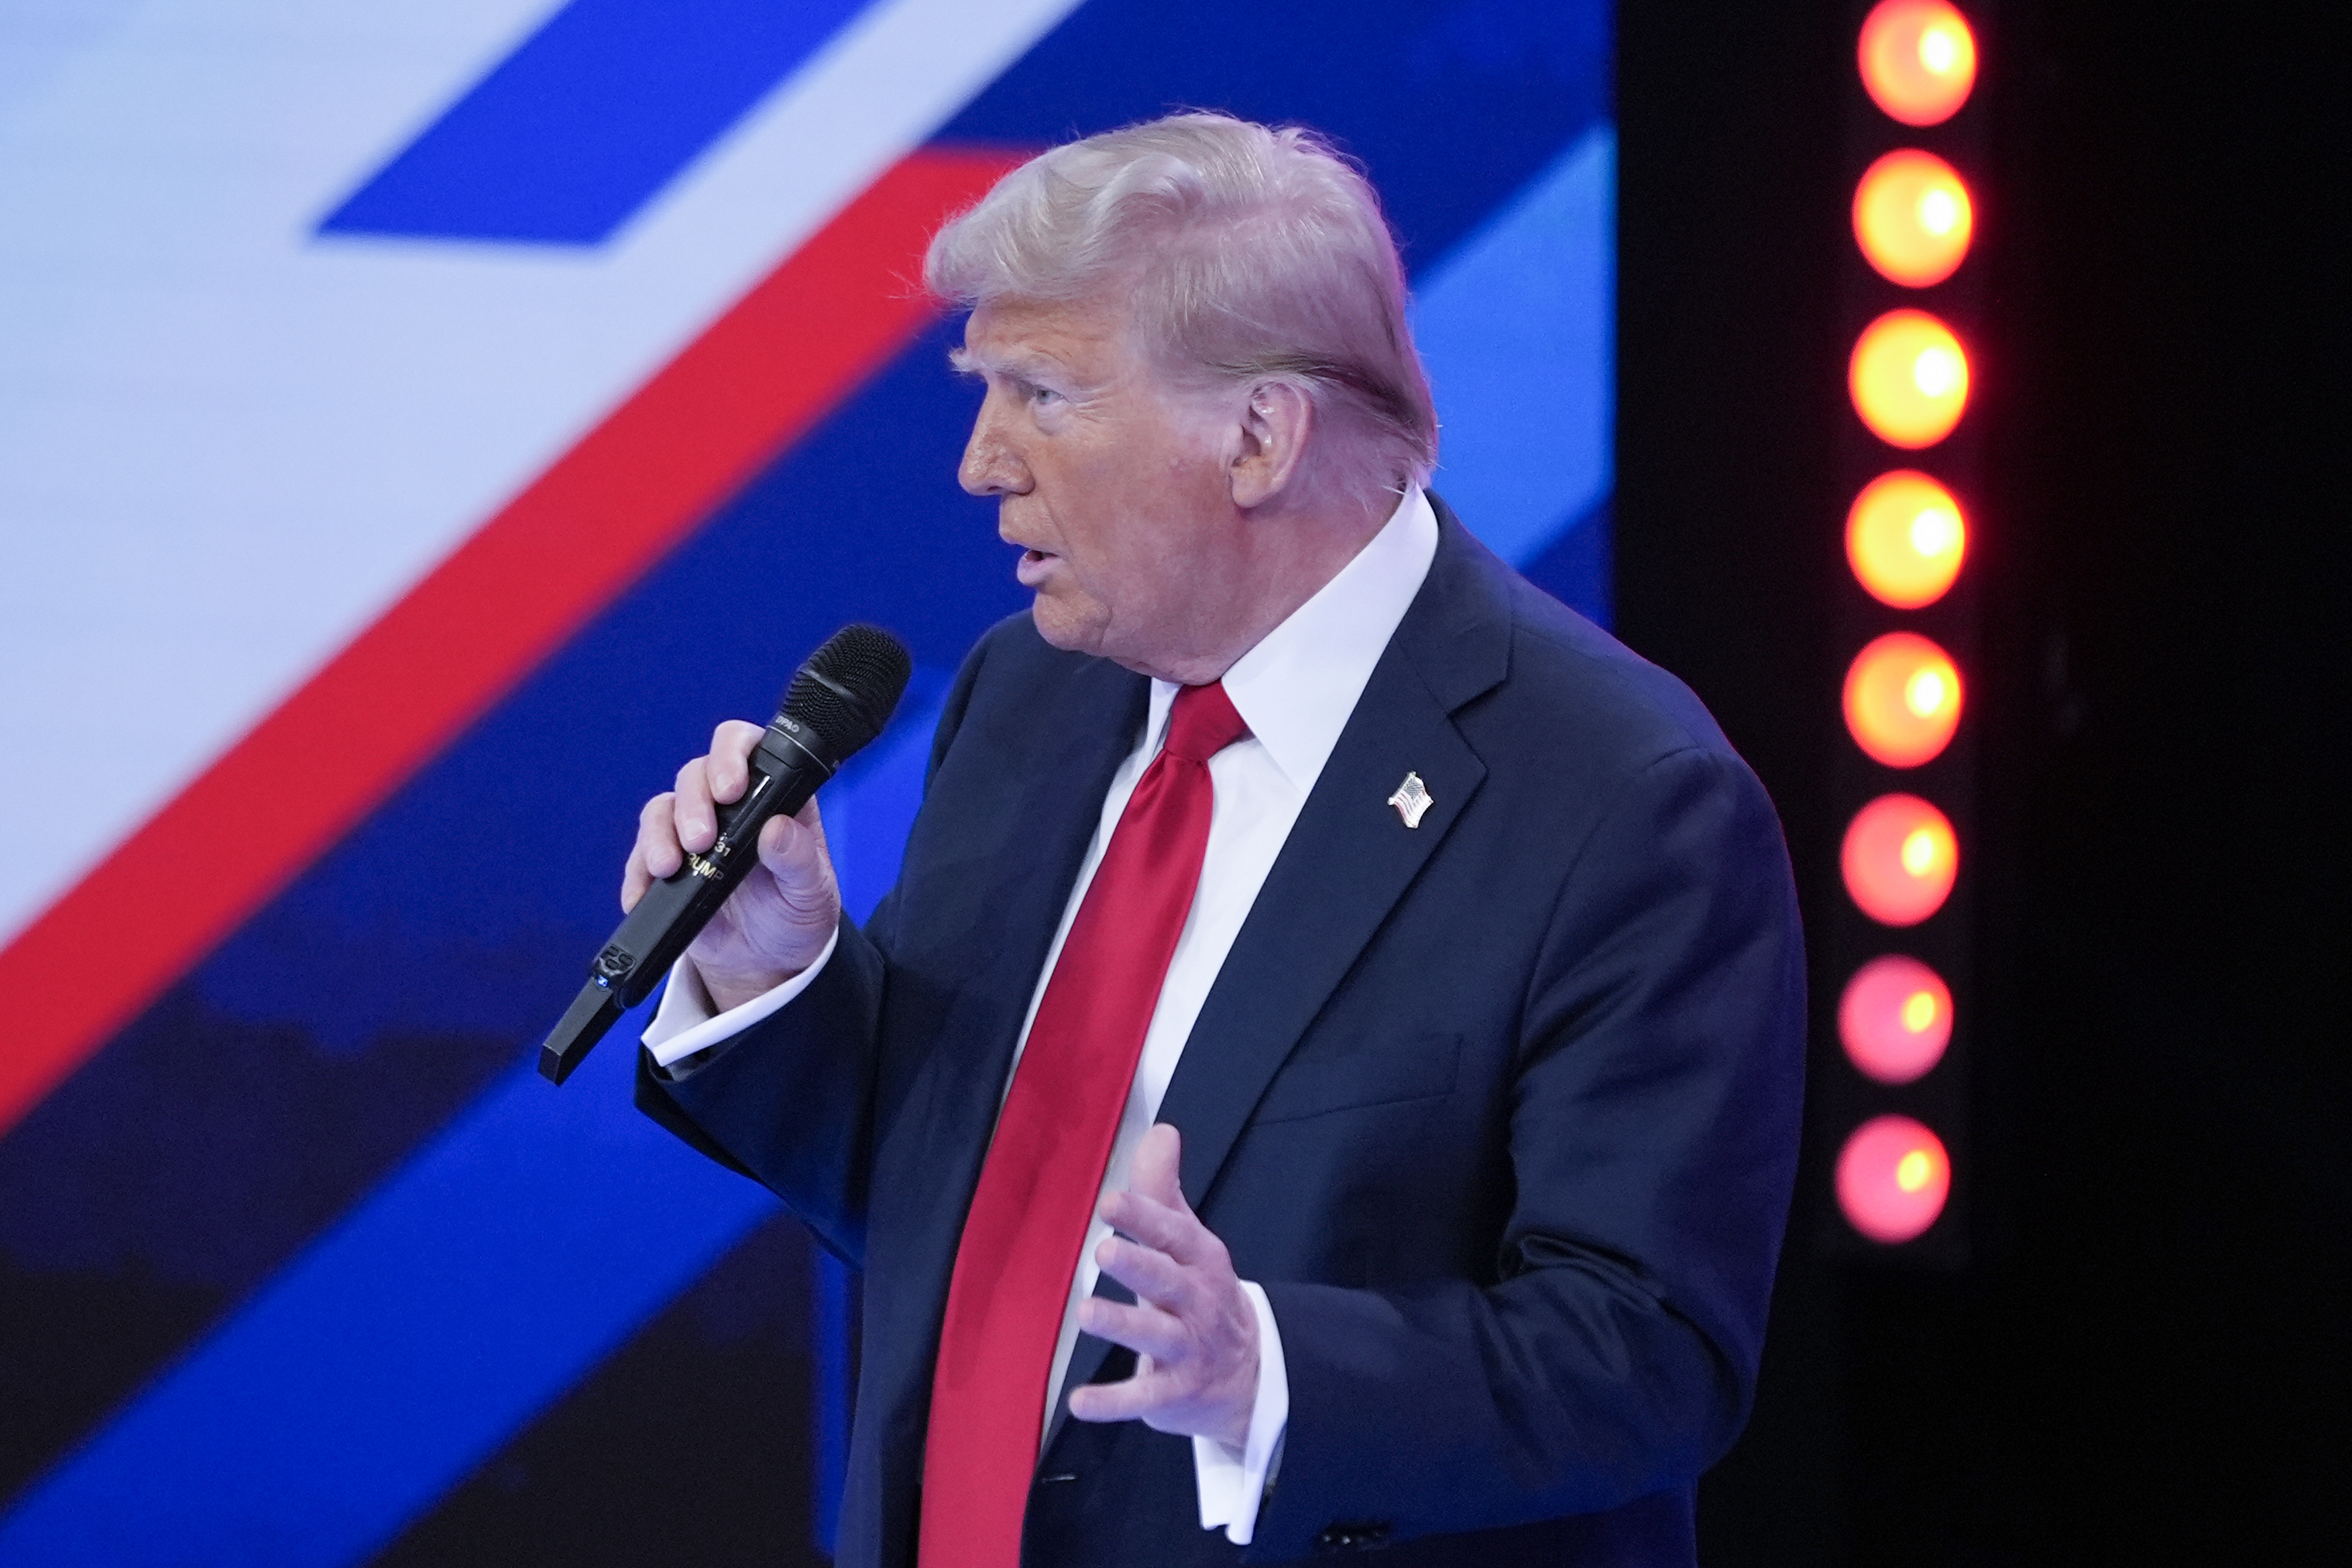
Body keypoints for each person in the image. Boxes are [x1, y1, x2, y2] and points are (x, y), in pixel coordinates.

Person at [626, 113, 1803, 1567]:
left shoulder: (1622, 797)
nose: (981, 464)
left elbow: (1648, 1352)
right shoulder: (1028, 693)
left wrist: (1271, 1370)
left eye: (1040, 394)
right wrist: (782, 979)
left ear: (1258, 435)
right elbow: (956, 1218)